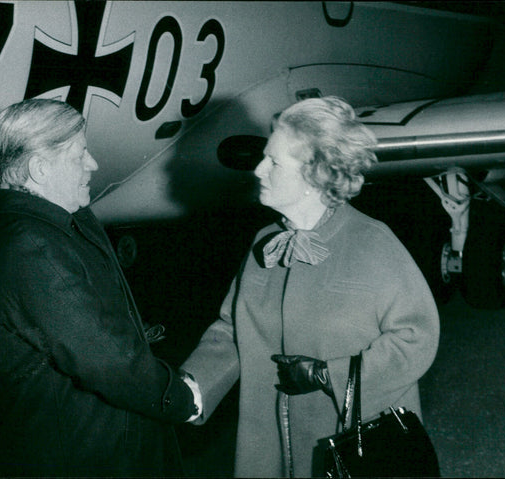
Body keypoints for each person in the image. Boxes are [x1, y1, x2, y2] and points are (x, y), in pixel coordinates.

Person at [180, 96, 440, 477]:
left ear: (314, 175)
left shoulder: (372, 243)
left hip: (353, 449)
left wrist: (328, 375)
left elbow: (416, 337)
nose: (258, 170)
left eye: (274, 162)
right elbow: (235, 330)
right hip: (268, 447)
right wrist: (191, 388)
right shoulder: (265, 243)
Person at [0, 99, 197, 477]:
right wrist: (179, 397)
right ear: (39, 169)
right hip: (79, 457)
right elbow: (103, 358)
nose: (92, 164)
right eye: (79, 155)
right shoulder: (30, 245)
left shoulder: (58, 220)